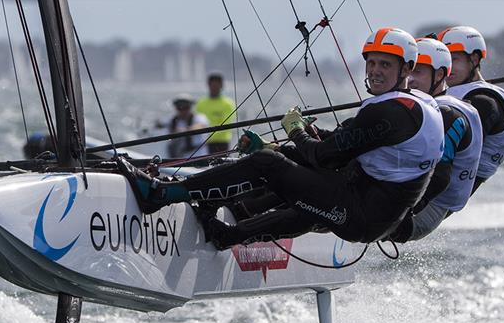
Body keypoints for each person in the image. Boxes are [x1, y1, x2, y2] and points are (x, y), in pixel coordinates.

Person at [118, 28, 445, 248]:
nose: (374, 71)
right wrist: (300, 139)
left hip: (358, 217)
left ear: (406, 69)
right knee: (287, 155)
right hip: (368, 206)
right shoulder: (420, 105)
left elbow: (324, 157)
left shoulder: (391, 112)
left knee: (268, 162)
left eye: (385, 65)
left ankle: (160, 196)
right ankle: (221, 214)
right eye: (371, 62)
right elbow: (346, 147)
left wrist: (295, 128)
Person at [390, 37, 483, 242]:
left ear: (439, 75)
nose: (410, 79)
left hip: (424, 211)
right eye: (408, 71)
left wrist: (401, 212)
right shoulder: (423, 106)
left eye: (418, 72)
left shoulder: (449, 114)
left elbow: (439, 177)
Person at [439, 26, 504, 194]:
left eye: (454, 60)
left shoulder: (485, 102)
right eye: (444, 61)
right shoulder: (466, 94)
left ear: (474, 60)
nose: (447, 67)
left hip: (443, 195)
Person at [195, 73, 236, 154]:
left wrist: (206, 133)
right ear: (208, 85)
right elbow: (196, 122)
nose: (214, 88)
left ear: (221, 86)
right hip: (203, 144)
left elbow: (226, 125)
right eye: (212, 85)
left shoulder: (228, 104)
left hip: (221, 143)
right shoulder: (200, 103)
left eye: (217, 85)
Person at [167, 94, 210, 159]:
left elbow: (200, 126)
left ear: (190, 107)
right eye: (180, 108)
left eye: (186, 107)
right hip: (180, 157)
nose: (183, 111)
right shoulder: (173, 121)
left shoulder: (199, 117)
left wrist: (184, 131)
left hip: (199, 155)